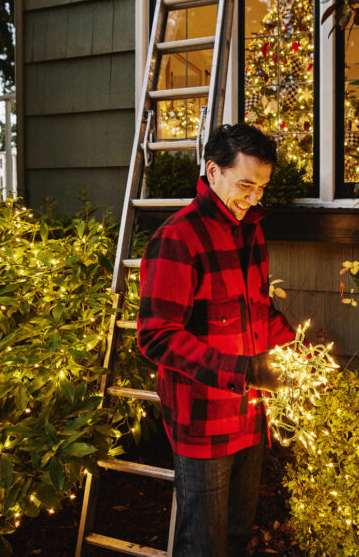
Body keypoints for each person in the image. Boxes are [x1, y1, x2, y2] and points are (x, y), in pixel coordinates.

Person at [137, 123, 295, 556]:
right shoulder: (177, 238)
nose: (253, 198)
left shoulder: (252, 230)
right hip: (202, 423)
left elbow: (259, 310)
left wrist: (299, 349)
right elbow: (157, 336)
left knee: (237, 535)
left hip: (250, 416)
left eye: (261, 188)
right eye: (245, 184)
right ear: (212, 171)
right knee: (202, 546)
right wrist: (241, 370)